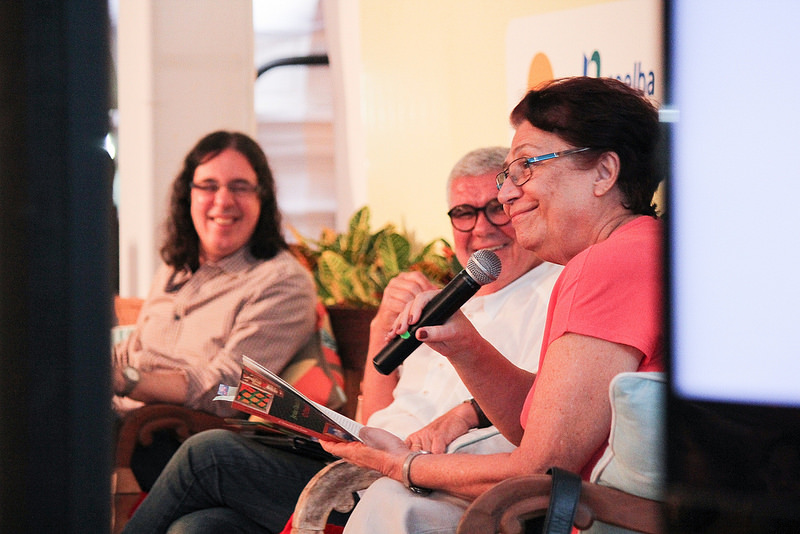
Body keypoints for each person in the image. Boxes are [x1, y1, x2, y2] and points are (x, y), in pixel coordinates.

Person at [121, 146, 564, 534]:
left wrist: (463, 415)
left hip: (420, 488)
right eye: (464, 214)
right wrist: (379, 328)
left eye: (496, 210)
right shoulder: (446, 297)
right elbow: (374, 416)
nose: (481, 228)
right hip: (357, 465)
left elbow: (541, 405)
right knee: (198, 527)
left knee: (208, 455)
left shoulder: (552, 290)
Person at [321, 76, 665, 534]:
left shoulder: (611, 262)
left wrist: (404, 464)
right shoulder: (637, 249)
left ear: (604, 172)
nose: (506, 194)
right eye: (509, 173)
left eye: (526, 166)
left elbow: (539, 470)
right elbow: (552, 428)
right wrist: (465, 345)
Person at [112, 130, 320, 486]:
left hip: (188, 440)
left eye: (240, 187)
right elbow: (131, 352)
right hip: (124, 420)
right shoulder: (174, 269)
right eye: (208, 185)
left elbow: (229, 390)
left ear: (262, 198)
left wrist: (127, 380)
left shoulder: (282, 282)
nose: (223, 201)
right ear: (188, 196)